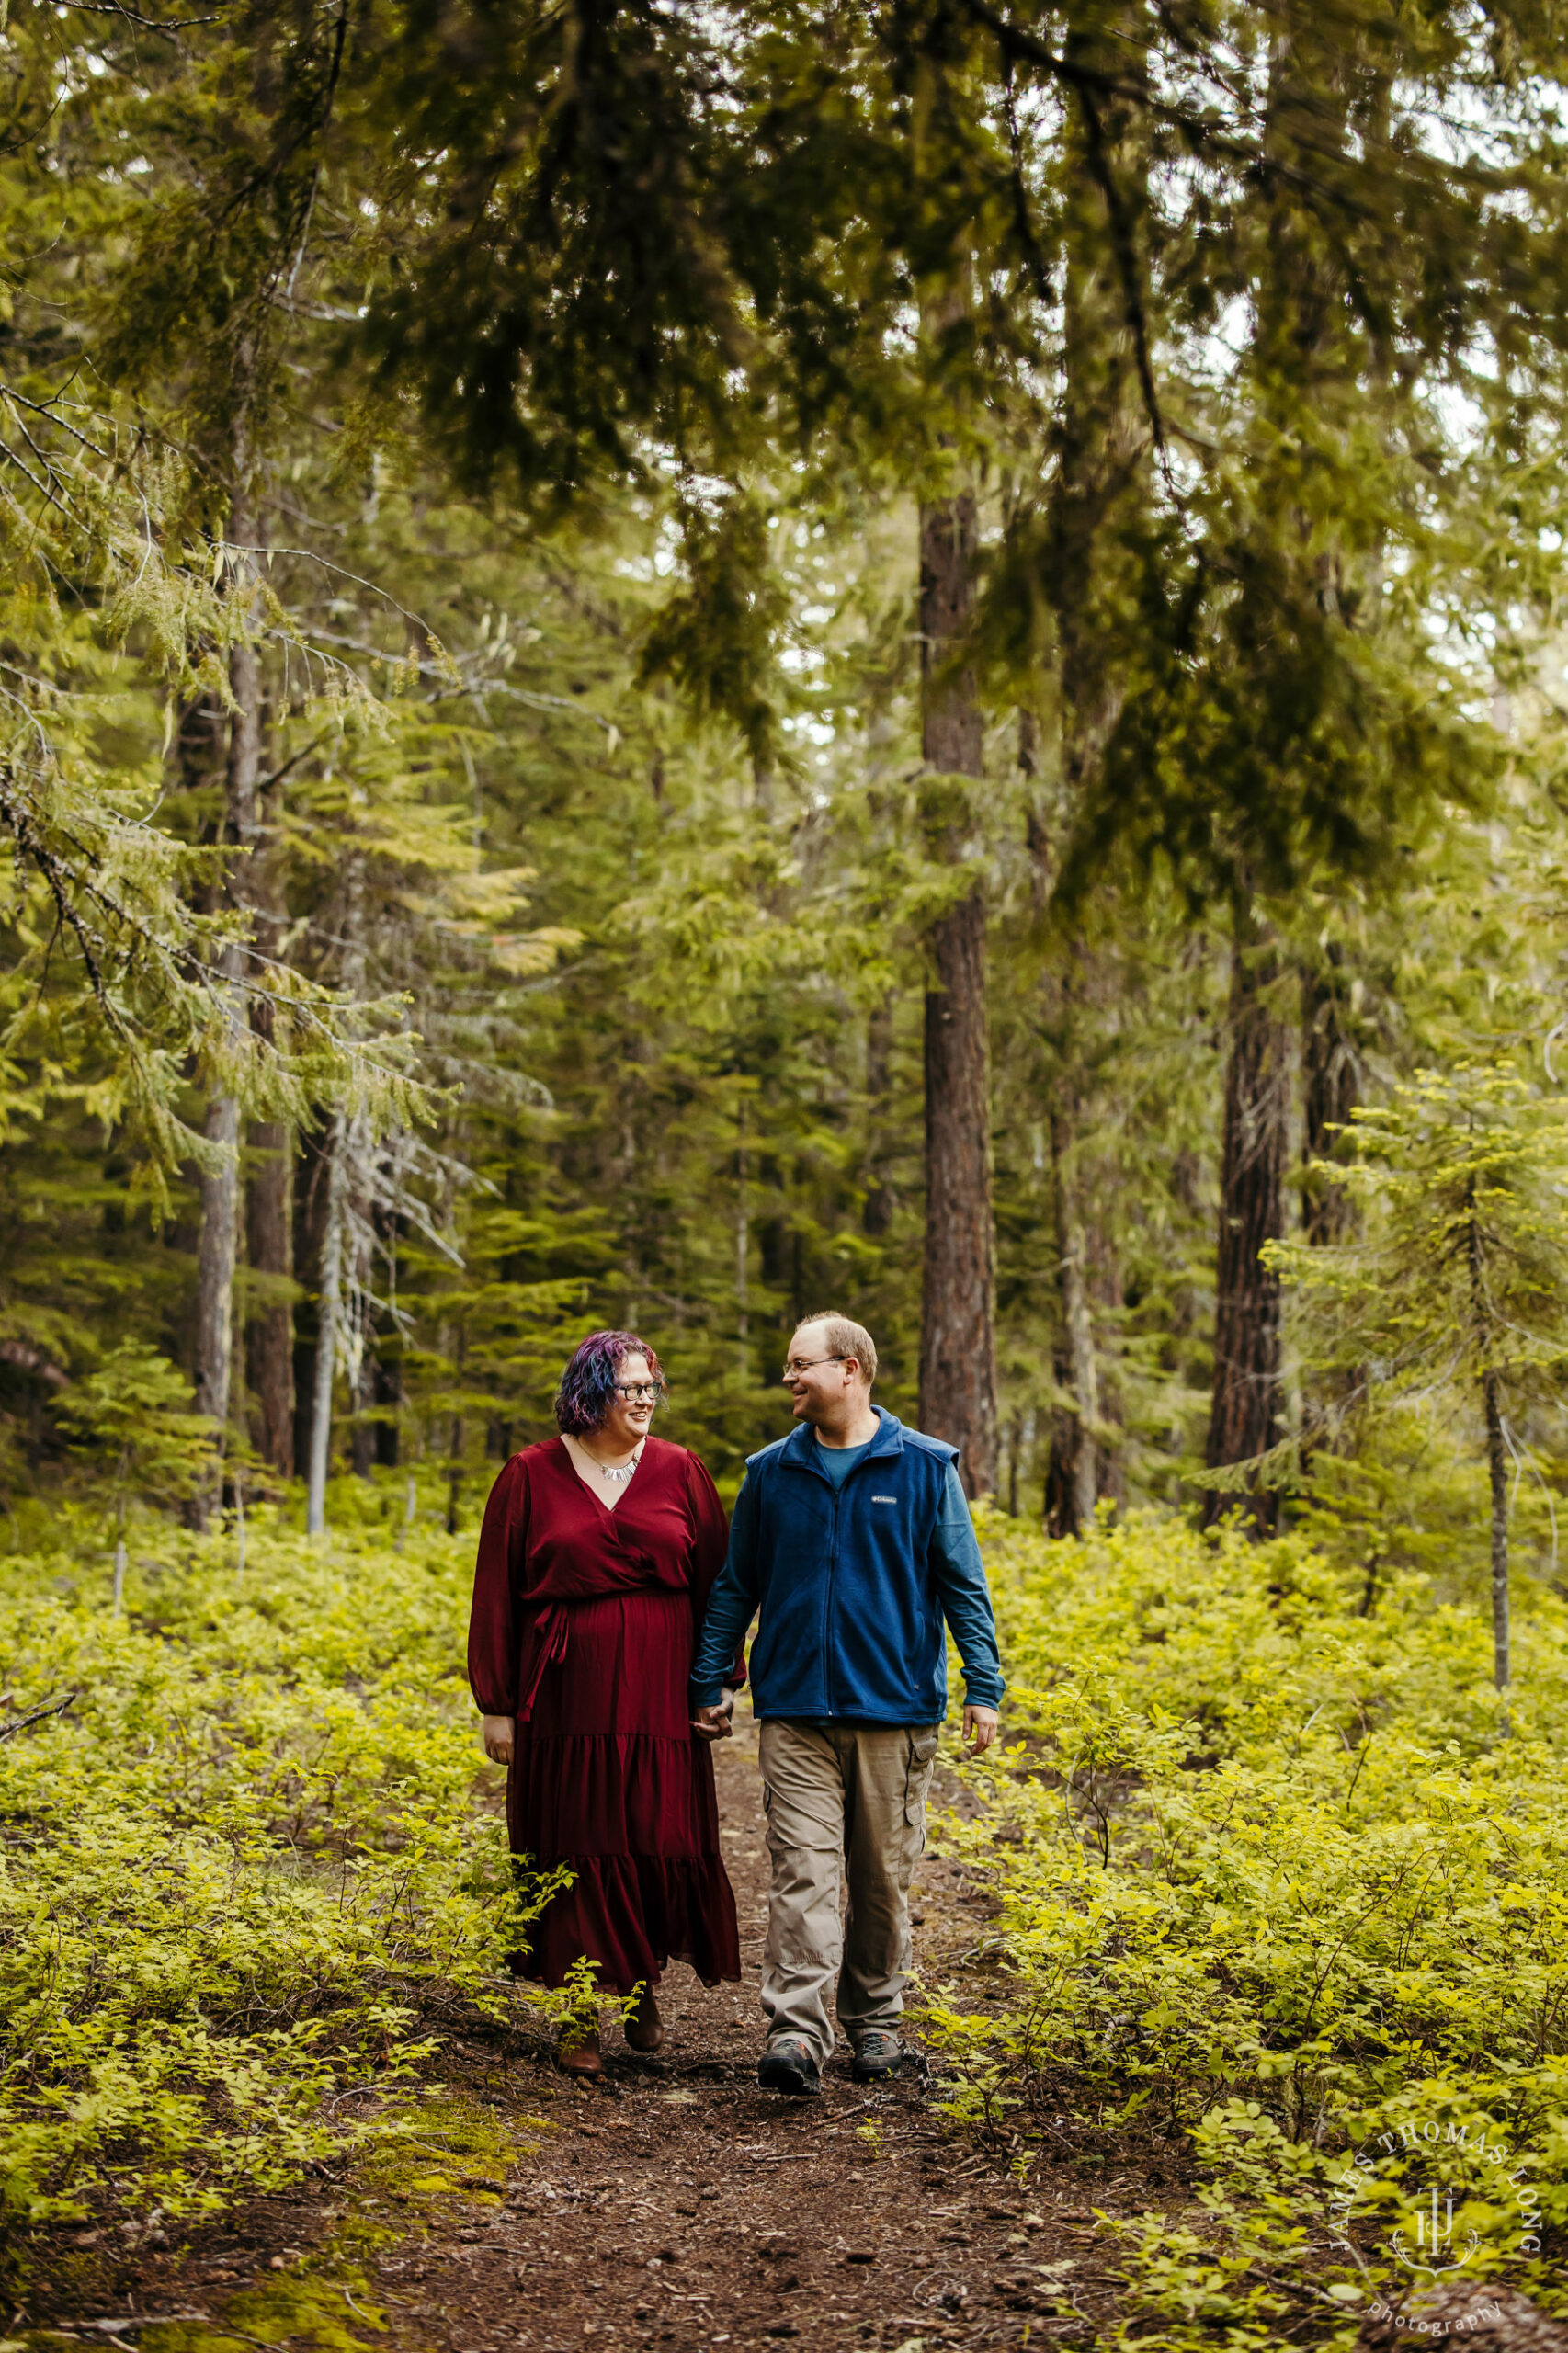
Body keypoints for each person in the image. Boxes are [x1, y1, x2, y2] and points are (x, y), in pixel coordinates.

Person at [689, 1312, 1003, 2097]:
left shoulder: (925, 1468)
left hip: (895, 1709)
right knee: (803, 1872)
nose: (789, 1378)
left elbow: (964, 1586)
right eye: (788, 1365)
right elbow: (736, 1587)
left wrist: (984, 1687)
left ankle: (875, 2026)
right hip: (795, 1708)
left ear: (852, 1369)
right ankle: (795, 2031)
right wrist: (712, 1679)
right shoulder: (771, 1473)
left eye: (802, 1364)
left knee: (881, 1879)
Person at [468, 1330, 743, 2077]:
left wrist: (716, 1682)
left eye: (653, 1386)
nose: (648, 1399)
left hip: (659, 1693)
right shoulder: (529, 1474)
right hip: (565, 1697)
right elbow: (496, 1592)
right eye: (632, 1387)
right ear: (591, 1392)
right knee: (577, 1838)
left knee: (653, 1830)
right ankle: (581, 2003)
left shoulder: (682, 1470)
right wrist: (496, 1702)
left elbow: (718, 1588)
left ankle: (641, 1979)